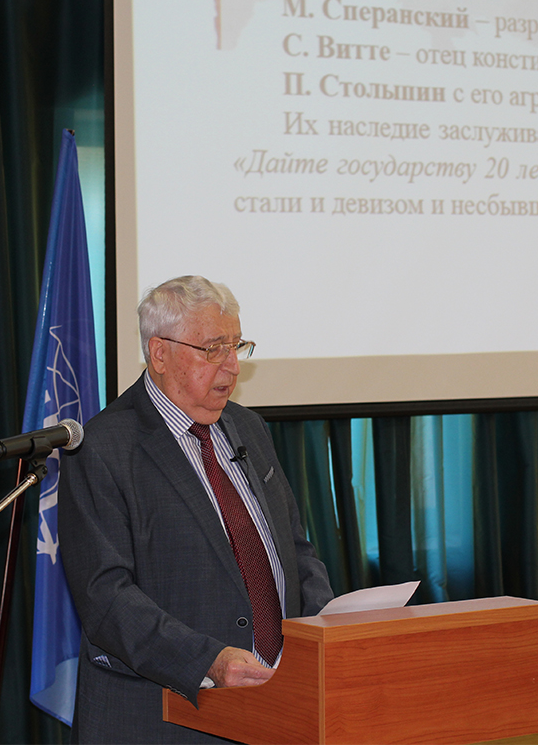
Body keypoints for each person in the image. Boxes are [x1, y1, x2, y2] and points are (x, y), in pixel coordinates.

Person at [59, 275, 334, 743]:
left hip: (276, 702)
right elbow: (106, 597)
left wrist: (328, 624)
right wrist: (208, 660)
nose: (232, 366)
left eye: (237, 346)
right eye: (213, 349)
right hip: (164, 714)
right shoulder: (103, 448)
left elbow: (295, 550)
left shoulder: (248, 427)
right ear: (159, 354)